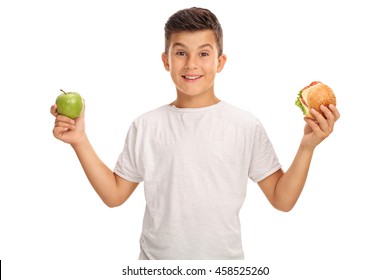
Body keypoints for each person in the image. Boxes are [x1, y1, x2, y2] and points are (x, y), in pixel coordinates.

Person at [51, 7, 340, 260]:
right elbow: (114, 195)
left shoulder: (245, 125)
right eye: (180, 53)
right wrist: (79, 141)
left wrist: (307, 146)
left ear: (220, 62)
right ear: (166, 61)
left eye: (203, 53)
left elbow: (282, 200)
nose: (191, 64)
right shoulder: (146, 125)